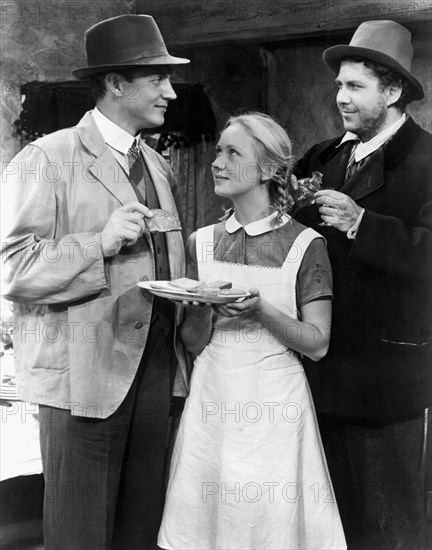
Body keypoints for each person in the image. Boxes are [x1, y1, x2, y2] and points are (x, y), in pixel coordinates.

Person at [1, 14, 190, 550]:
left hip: (155, 375)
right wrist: (99, 243)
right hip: (83, 381)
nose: (170, 92)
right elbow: (15, 269)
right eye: (158, 79)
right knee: (80, 537)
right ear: (115, 83)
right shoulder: (46, 158)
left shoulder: (156, 165)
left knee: (139, 534)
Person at [157, 112, 346, 550]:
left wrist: (261, 310)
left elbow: (317, 345)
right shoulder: (200, 243)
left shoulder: (306, 245)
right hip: (212, 399)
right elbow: (190, 342)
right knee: (204, 527)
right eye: (219, 151)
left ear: (266, 170)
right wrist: (204, 307)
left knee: (270, 529)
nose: (217, 162)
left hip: (276, 408)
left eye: (232, 153)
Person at [293, 20, 432, 550]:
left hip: (385, 378)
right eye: (338, 86)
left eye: (355, 87)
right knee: (330, 525)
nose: (341, 98)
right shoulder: (321, 158)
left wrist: (361, 224)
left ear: (393, 91)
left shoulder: (427, 158)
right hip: (319, 370)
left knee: (388, 528)